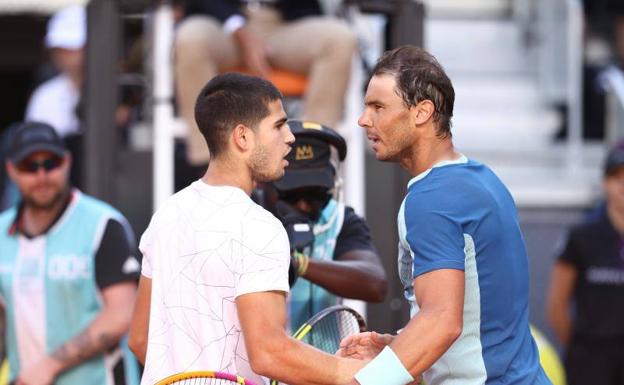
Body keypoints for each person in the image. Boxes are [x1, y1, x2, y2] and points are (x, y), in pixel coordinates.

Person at [128, 73, 364, 385]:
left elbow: (141, 340)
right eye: (278, 126)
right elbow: (270, 353)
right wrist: (364, 375)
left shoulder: (166, 214)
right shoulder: (259, 227)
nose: (290, 137)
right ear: (243, 137)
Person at [337, 46, 552, 385]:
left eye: (378, 107)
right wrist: (400, 350)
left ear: (422, 112)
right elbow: (479, 320)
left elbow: (441, 321)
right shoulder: (481, 179)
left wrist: (364, 382)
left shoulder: (432, 198)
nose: (364, 120)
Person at [0, 122, 141, 385]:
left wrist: (50, 365)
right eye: (29, 166)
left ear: (67, 162)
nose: (41, 175)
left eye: (50, 163)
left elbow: (122, 312)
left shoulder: (102, 224)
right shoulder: (1, 232)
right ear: (11, 170)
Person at [174, 0, 358, 174]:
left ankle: (310, 160)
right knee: (191, 38)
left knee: (340, 40)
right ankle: (213, 166)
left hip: (285, 23)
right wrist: (240, 32)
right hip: (223, 21)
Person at [262, 119, 387, 331]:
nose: (303, 204)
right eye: (290, 194)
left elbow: (375, 284)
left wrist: (299, 264)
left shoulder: (341, 220)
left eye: (315, 194)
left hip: (323, 360)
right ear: (266, 183)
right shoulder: (247, 217)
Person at [546, 141, 624, 385]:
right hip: (590, 359)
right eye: (616, 177)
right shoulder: (582, 235)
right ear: (604, 183)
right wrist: (583, 350)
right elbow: (557, 305)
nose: (623, 185)